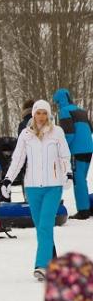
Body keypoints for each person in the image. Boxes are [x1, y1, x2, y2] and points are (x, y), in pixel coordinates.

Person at [0, 100, 73, 280]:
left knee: (46, 225)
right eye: (37, 113)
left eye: (44, 113)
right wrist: (8, 179)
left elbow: (64, 156)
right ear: (33, 114)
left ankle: (41, 265)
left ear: (48, 115)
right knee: (41, 227)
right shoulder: (26, 134)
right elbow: (17, 159)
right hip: (32, 187)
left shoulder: (57, 132)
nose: (41, 116)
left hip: (53, 186)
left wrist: (68, 173)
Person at [52, 88, 93, 219]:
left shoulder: (64, 111)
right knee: (82, 179)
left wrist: (61, 148)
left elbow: (68, 134)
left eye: (56, 102)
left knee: (78, 180)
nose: (56, 105)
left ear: (59, 101)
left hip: (77, 150)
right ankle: (86, 206)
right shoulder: (81, 111)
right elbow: (90, 129)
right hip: (88, 148)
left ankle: (83, 211)